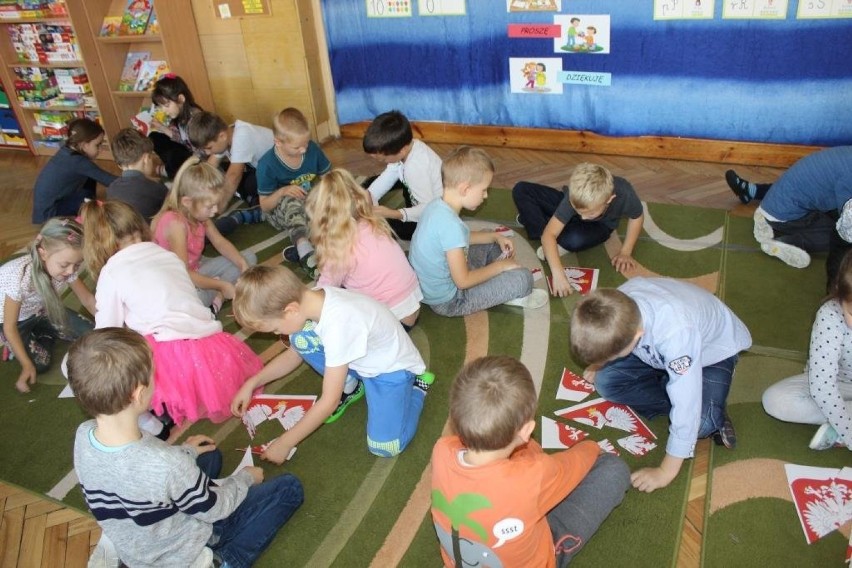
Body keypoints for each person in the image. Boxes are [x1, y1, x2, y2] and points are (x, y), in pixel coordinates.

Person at [70, 327, 303, 568]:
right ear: (139, 394)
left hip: (140, 541)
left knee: (209, 457)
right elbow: (215, 508)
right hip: (184, 553)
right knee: (288, 489)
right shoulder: (166, 464)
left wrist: (186, 452)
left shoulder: (83, 434)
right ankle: (223, 561)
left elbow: (136, 470)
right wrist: (245, 478)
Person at [430, 356, 630, 567]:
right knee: (613, 469)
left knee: (530, 458)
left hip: (461, 559)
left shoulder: (441, 450)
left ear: (456, 419)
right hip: (538, 553)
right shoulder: (532, 475)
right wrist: (590, 446)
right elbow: (573, 464)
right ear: (526, 430)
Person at [80, 200, 263, 425]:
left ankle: (158, 411)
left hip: (171, 357)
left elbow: (107, 331)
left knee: (119, 348)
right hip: (210, 344)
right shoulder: (163, 253)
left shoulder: (112, 272)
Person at [230, 265, 433, 463]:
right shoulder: (311, 300)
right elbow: (294, 354)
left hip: (390, 370)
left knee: (385, 447)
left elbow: (329, 402)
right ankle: (351, 382)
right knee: (301, 340)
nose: (277, 334)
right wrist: (253, 382)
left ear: (290, 310)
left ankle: (417, 387)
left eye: (274, 328)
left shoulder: (338, 324)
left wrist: (285, 443)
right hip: (359, 357)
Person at [570, 278, 752, 493]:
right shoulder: (617, 303)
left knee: (702, 424)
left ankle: (702, 400)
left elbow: (685, 405)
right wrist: (598, 360)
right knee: (606, 383)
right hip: (658, 352)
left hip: (711, 353)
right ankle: (676, 383)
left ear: (637, 336)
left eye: (611, 357)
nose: (606, 362)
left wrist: (665, 471)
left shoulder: (676, 334)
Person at [409, 146, 547, 316]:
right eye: (483, 190)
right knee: (523, 278)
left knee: (489, 235)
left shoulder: (436, 206)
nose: (486, 196)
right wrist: (500, 267)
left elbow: (460, 238)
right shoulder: (450, 226)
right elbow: (463, 281)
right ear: (465, 189)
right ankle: (504, 290)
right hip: (451, 300)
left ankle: (495, 282)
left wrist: (495, 236)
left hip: (439, 282)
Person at [305, 169, 422, 329]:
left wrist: (309, 318)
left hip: (392, 321)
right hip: (412, 301)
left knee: (337, 304)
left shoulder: (338, 250)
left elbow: (325, 291)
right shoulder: (373, 222)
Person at [762, 249, 852, 451]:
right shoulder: (830, 316)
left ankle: (838, 420)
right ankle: (843, 420)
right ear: (840, 295)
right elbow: (823, 386)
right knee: (776, 400)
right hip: (836, 383)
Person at [512, 163, 644, 297]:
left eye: (590, 214)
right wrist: (558, 274)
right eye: (579, 211)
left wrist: (626, 252)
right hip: (570, 209)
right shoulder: (575, 197)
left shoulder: (624, 192)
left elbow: (637, 216)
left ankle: (547, 223)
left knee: (573, 240)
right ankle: (547, 231)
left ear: (609, 199)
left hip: (600, 226)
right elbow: (549, 235)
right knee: (521, 189)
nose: (584, 217)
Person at [724, 146, 852, 282]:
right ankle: (788, 242)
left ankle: (765, 216)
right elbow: (846, 225)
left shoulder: (847, 156)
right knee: (838, 234)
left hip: (777, 204)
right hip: (783, 214)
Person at [0, 219, 94, 392]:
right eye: (64, 265)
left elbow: (87, 299)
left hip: (42, 311)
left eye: (77, 265)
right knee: (39, 365)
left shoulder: (67, 269)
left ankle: (43, 333)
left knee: (92, 333)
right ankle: (11, 343)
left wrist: (111, 323)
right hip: (14, 322)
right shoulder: (19, 277)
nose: (71, 271)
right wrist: (27, 365)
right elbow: (10, 325)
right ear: (43, 253)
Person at [152, 157, 256, 311]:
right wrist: (221, 284)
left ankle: (217, 297)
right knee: (195, 299)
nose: (215, 211)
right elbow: (183, 272)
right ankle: (218, 292)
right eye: (210, 206)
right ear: (187, 202)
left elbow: (220, 242)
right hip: (176, 279)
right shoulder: (176, 224)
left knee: (248, 259)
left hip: (196, 267)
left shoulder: (199, 214)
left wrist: (242, 264)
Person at [256, 108, 332, 277]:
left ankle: (309, 243)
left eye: (306, 143)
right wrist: (283, 191)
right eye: (297, 147)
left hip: (309, 202)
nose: (304, 149)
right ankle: (305, 250)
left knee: (335, 196)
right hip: (281, 210)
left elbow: (329, 179)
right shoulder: (266, 164)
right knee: (290, 201)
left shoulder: (312, 149)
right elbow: (265, 205)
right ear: (278, 142)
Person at [362, 110, 443, 240]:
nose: (381, 162)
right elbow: (390, 173)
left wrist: (394, 213)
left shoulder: (415, 167)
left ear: (402, 150)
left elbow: (427, 210)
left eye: (383, 159)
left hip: (433, 219)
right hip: (421, 197)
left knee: (382, 225)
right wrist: (369, 195)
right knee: (370, 184)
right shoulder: (409, 147)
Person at [31, 118, 117, 223]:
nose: (101, 149)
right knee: (88, 200)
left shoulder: (67, 151)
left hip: (45, 210)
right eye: (98, 145)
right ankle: (87, 210)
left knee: (91, 175)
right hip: (49, 215)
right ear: (84, 145)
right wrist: (136, 180)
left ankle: (87, 202)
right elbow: (110, 181)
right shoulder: (78, 162)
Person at [187, 110, 274, 211]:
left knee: (243, 181)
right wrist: (194, 190)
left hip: (280, 173)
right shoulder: (226, 135)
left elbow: (234, 176)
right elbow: (209, 167)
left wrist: (219, 206)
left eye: (209, 148)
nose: (207, 153)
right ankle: (253, 198)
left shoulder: (242, 135)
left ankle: (255, 199)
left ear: (222, 136)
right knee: (223, 175)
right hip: (260, 169)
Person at [106, 128, 168, 222]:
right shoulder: (157, 188)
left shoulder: (111, 189)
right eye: (151, 156)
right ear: (146, 158)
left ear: (119, 165)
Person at [150, 74, 204, 178]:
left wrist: (188, 165)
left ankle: (173, 172)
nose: (164, 110)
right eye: (161, 107)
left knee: (173, 155)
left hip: (198, 159)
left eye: (166, 106)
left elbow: (202, 152)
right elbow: (182, 139)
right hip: (188, 149)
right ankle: (172, 169)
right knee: (154, 137)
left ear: (181, 99)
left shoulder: (196, 118)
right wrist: (162, 128)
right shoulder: (180, 116)